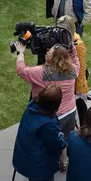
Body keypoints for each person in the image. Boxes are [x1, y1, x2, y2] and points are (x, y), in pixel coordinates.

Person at [15, 35, 80, 169]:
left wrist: (20, 52)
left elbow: (21, 71)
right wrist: (73, 48)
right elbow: (77, 61)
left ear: (54, 58)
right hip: (70, 113)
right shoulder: (73, 69)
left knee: (47, 141)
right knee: (64, 139)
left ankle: (48, 162)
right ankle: (64, 162)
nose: (46, 52)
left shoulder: (42, 72)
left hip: (52, 116)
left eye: (49, 52)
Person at [12, 84, 66, 181]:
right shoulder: (48, 125)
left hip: (27, 162)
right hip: (39, 167)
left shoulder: (31, 108)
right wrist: (62, 137)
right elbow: (58, 144)